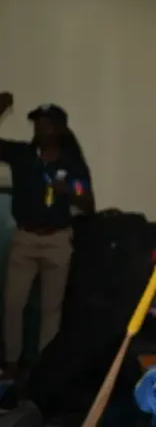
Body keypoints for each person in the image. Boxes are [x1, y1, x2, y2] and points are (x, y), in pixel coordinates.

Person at [0, 93, 94, 381]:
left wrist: (70, 191)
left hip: (57, 241)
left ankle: (44, 369)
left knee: (51, 311)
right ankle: (11, 365)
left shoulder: (72, 162)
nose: (40, 129)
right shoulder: (22, 156)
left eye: (47, 124)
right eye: (37, 124)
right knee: (13, 303)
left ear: (59, 129)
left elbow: (89, 204)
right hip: (25, 239)